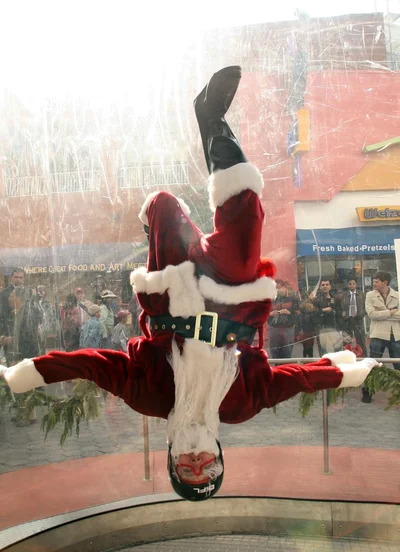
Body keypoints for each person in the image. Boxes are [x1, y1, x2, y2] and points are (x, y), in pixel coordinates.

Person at [0, 66, 380, 501]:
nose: (197, 458)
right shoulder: (237, 406)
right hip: (230, 297)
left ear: (171, 455)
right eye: (207, 467)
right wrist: (340, 371)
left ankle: (157, 231)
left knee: (162, 205)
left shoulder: (148, 397)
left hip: (176, 298)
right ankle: (211, 116)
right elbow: (293, 378)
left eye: (188, 467)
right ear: (219, 455)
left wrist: (27, 374)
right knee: (247, 211)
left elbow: (90, 364)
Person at [361, 271, 400, 403]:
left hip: (395, 334)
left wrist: (383, 313)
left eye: (376, 281)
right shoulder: (370, 295)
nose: (374, 283)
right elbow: (372, 315)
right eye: (373, 281)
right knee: (373, 363)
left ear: (385, 282)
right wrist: (391, 312)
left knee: (398, 365)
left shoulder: (397, 295)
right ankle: (367, 392)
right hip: (377, 334)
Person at [0, 287, 42, 366]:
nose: (9, 299)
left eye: (12, 296)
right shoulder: (14, 313)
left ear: (20, 299)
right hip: (19, 356)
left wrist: (11, 340)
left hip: (28, 357)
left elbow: (29, 337)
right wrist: (5, 338)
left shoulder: (28, 313)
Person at [268, 279, 299, 361]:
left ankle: (285, 369)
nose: (278, 289)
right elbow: (261, 313)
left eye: (280, 287)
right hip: (274, 328)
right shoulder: (269, 299)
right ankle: (277, 370)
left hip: (288, 328)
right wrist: (269, 314)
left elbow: (299, 312)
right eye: (276, 287)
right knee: (275, 353)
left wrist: (289, 312)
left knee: (287, 353)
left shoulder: (292, 298)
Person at [0, 268, 25, 360]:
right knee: (12, 363)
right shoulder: (3, 294)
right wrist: (3, 334)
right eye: (16, 277)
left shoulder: (28, 293)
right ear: (11, 278)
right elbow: (1, 315)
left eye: (21, 277)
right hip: (9, 333)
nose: (19, 279)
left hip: (24, 333)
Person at [338, 278, 366, 355]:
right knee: (347, 339)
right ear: (347, 285)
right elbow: (339, 307)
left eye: (353, 284)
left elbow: (366, 306)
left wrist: (362, 314)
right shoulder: (343, 295)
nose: (352, 285)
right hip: (347, 319)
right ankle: (346, 355)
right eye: (350, 284)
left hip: (358, 319)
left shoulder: (362, 294)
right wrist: (344, 315)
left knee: (361, 339)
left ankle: (363, 355)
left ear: (356, 284)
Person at [314, 280, 342, 355]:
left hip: (334, 327)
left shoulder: (335, 298)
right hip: (322, 328)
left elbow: (340, 312)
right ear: (320, 287)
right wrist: (323, 310)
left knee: (337, 348)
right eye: (323, 285)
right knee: (323, 350)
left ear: (330, 286)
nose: (325, 286)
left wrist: (334, 311)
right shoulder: (316, 299)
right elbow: (313, 313)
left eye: (327, 284)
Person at [35, 285, 57, 354]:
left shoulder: (48, 304)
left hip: (43, 328)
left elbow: (50, 317)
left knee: (42, 346)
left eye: (43, 290)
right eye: (39, 290)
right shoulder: (33, 303)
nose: (41, 292)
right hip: (34, 327)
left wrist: (44, 328)